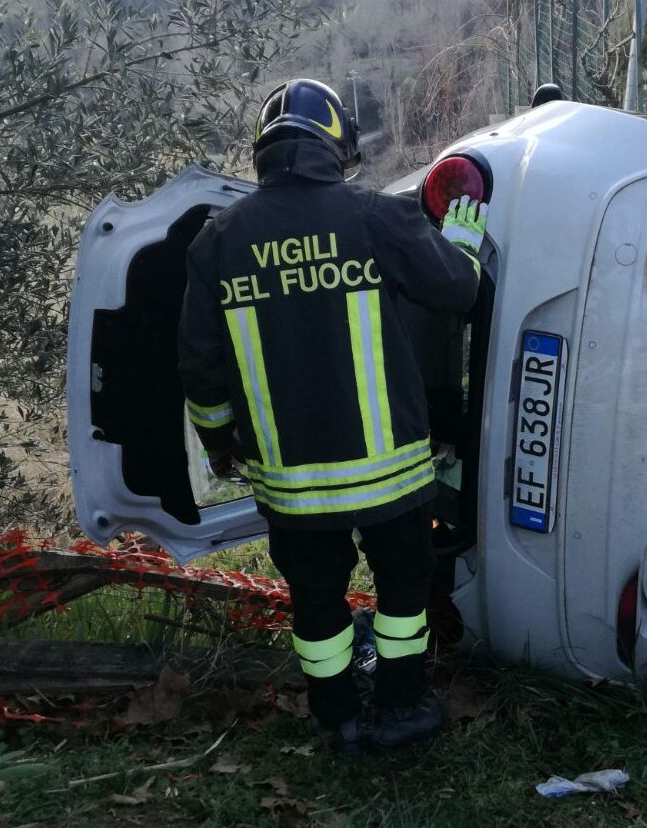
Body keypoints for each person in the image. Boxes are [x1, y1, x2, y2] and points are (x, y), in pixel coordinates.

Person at [177, 79, 486, 755]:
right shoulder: (374, 215)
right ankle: (401, 708)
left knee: (316, 600)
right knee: (402, 590)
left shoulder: (218, 241)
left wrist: (220, 444)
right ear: (337, 144)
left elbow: (200, 369)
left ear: (264, 149)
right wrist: (463, 238)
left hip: (292, 487)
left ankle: (339, 720)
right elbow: (457, 290)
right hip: (391, 476)